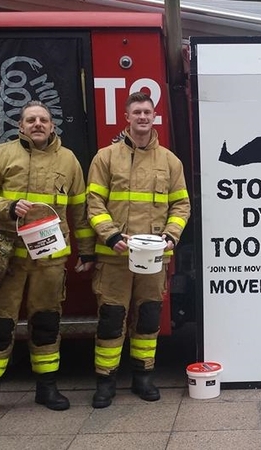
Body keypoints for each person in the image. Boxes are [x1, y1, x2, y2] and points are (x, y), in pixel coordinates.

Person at [0, 100, 96, 421]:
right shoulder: (1, 155)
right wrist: (7, 205)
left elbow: (79, 211)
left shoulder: (68, 161)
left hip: (49, 258)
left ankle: (46, 387)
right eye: (30, 120)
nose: (37, 124)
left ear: (52, 126)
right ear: (20, 126)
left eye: (43, 119)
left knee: (46, 322)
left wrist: (88, 250)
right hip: (6, 255)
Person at [86, 91, 190, 408]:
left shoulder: (170, 161)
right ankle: (106, 381)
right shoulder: (105, 157)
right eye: (137, 112)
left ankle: (143, 378)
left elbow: (181, 205)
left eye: (147, 112)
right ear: (127, 117)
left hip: (155, 256)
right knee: (111, 318)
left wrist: (172, 235)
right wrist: (110, 235)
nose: (143, 117)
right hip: (115, 255)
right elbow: (94, 204)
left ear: (154, 116)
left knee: (147, 317)